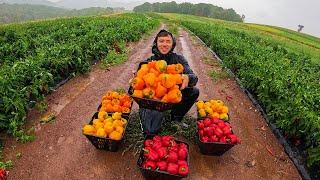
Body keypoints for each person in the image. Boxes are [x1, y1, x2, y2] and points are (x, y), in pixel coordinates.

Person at [136, 29, 199, 135]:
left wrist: (188, 77)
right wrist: (135, 78)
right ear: (156, 43)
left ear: (172, 44)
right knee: (150, 131)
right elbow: (139, 82)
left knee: (194, 91)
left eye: (168, 41)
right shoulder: (149, 62)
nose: (164, 44)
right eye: (161, 41)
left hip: (171, 96)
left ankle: (175, 118)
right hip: (154, 101)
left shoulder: (179, 60)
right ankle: (147, 115)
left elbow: (194, 77)